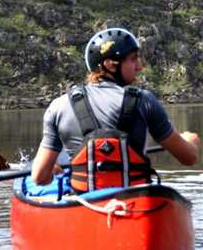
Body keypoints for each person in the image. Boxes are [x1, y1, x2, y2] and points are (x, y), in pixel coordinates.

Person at [31, 27, 199, 189]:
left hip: (84, 205)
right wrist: (189, 141)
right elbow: (189, 157)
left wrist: (53, 171)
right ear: (110, 65)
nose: (139, 66)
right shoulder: (145, 101)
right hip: (136, 203)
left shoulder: (58, 107)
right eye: (133, 59)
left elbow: (39, 177)